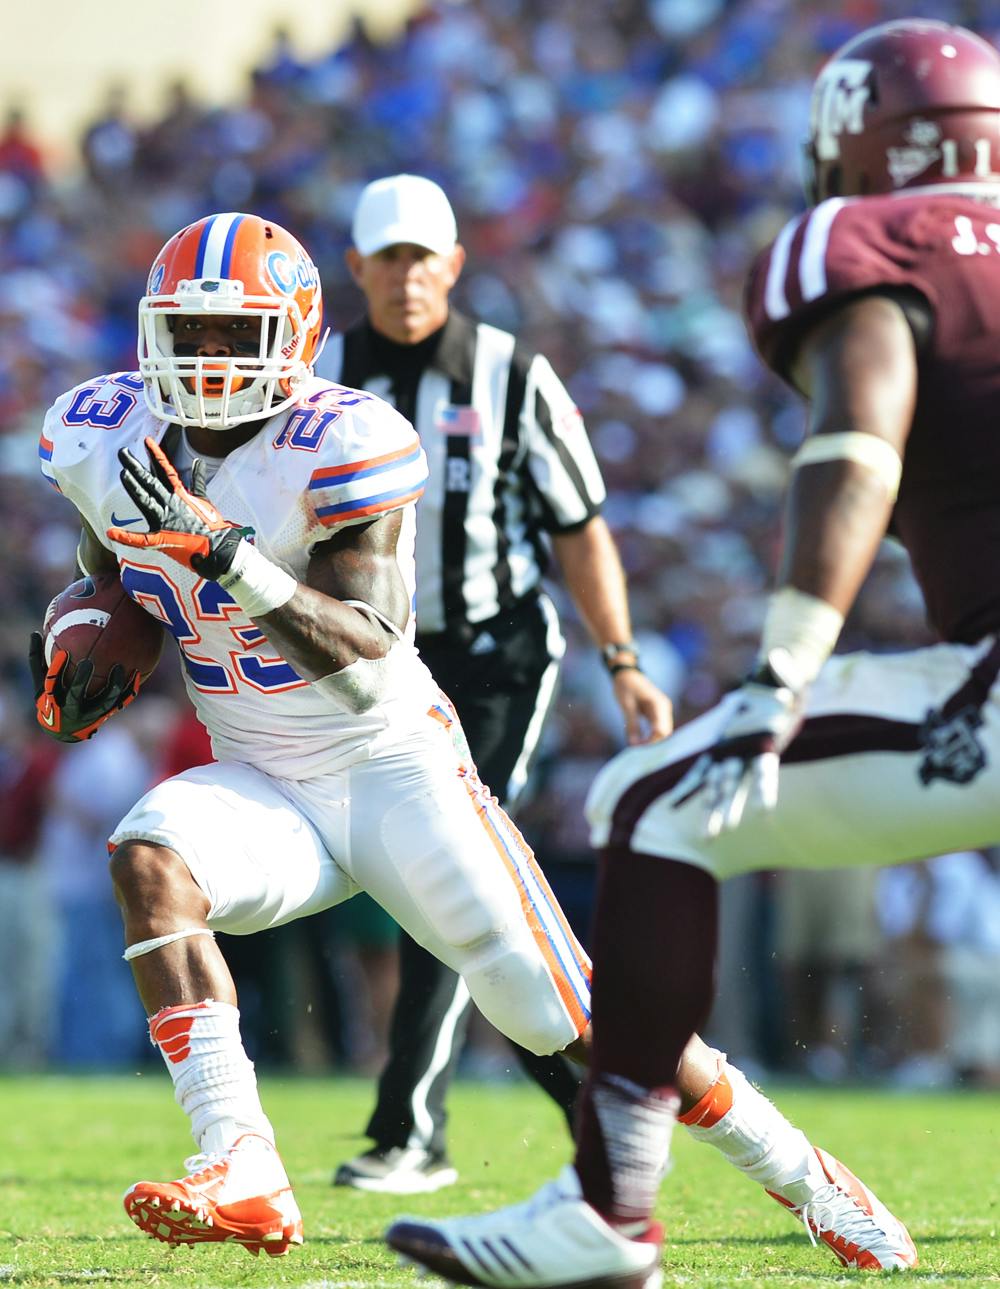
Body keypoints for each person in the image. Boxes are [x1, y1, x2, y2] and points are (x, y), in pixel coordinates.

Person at [32, 211, 910, 1268]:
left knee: (577, 1017)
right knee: (148, 858)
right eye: (191, 333)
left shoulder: (343, 438)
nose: (210, 359)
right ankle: (245, 1166)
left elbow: (363, 654)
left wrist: (224, 552)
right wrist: (83, 642)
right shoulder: (100, 433)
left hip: (393, 769)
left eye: (236, 333)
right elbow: (110, 572)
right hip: (260, 775)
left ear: (297, 335)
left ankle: (804, 1172)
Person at [385, 15, 1000, 1281]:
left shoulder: (867, 243)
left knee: (656, 798)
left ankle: (607, 1213)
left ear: (853, 142)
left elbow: (857, 442)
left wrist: (782, 668)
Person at [317, 172, 673, 1193]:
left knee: (448, 861)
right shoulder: (323, 373)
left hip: (495, 652)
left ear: (454, 265)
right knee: (438, 876)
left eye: (420, 256)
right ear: (357, 267)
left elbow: (579, 526)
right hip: (369, 656)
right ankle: (592, 1093)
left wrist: (624, 660)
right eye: (386, 257)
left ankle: (410, 1127)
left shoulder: (513, 374)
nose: (404, 276)